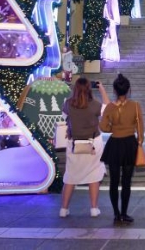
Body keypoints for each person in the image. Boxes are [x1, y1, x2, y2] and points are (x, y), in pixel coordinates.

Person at [60, 77, 110, 218]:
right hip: (93, 143)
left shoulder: (68, 104)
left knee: (70, 175)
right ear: (89, 89)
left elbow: (63, 118)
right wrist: (102, 89)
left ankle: (64, 209)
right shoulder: (95, 104)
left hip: (74, 144)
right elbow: (108, 109)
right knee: (94, 175)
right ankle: (94, 208)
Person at [100, 74, 144, 225]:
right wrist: (139, 141)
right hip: (129, 144)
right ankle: (125, 213)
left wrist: (114, 127)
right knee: (126, 181)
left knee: (113, 181)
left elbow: (103, 127)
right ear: (128, 90)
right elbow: (140, 129)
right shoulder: (135, 106)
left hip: (114, 145)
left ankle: (116, 214)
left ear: (114, 90)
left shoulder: (110, 107)